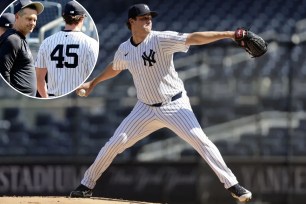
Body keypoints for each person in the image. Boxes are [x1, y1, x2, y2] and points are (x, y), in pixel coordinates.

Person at [70, 3, 252, 203]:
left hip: (174, 105)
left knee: (202, 142)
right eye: (143, 17)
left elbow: (193, 38)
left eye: (150, 17)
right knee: (113, 144)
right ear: (131, 22)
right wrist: (93, 83)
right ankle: (86, 185)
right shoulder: (125, 49)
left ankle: (233, 185)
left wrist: (228, 34)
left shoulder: (160, 39)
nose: (148, 20)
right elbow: (116, 66)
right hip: (145, 109)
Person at [35, 0, 99, 98]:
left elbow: (39, 78)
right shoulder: (91, 43)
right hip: (78, 97)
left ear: (64, 17)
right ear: (82, 18)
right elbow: (94, 76)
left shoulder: (47, 42)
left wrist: (46, 98)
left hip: (53, 96)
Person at [0, 0, 44, 97]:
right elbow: (3, 75)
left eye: (35, 20)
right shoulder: (12, 40)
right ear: (17, 17)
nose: (33, 23)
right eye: (29, 19)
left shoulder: (19, 38)